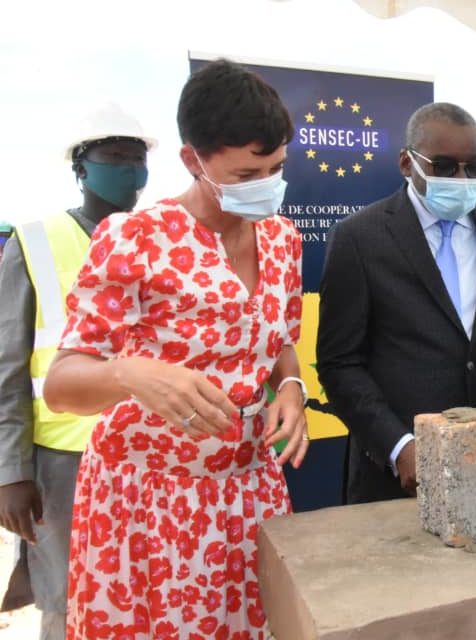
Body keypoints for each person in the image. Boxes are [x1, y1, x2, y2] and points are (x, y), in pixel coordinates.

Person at [41, 59, 308, 638]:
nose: (266, 184)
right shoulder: (135, 239)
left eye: (276, 168)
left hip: (248, 495)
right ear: (192, 161)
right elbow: (62, 385)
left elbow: (279, 339)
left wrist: (291, 387)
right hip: (149, 504)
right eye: (245, 174)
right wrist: (131, 373)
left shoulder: (284, 239)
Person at [317, 102, 476, 504]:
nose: (461, 178)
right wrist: (399, 446)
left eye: (473, 168)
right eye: (445, 166)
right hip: (396, 480)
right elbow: (339, 365)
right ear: (407, 163)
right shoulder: (359, 239)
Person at [0, 103, 154, 640]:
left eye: (138, 159)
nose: (130, 169)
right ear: (80, 167)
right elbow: (7, 371)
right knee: (68, 599)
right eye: (115, 156)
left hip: (146, 454)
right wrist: (12, 473)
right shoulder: (32, 243)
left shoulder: (158, 243)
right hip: (64, 461)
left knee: (141, 588)